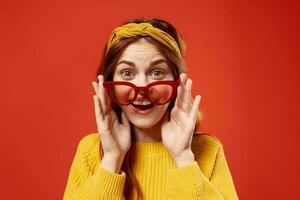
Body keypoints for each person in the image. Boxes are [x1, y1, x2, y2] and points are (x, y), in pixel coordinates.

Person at [63, 18, 238, 200]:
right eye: (127, 73)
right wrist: (112, 159)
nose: (142, 88)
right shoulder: (90, 151)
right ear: (110, 83)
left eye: (157, 72)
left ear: (178, 82)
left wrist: (183, 157)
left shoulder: (208, 150)